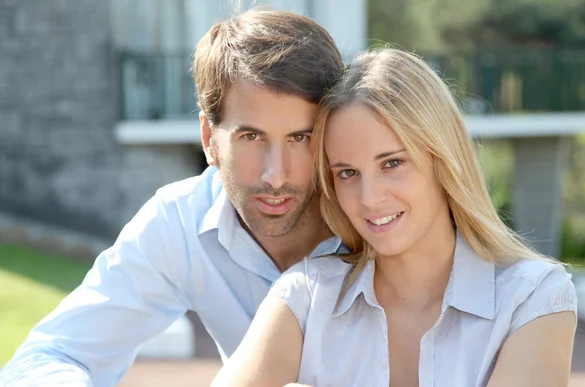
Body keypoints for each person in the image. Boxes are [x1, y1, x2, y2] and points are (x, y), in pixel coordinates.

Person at [0, 8, 345, 387]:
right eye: (251, 137)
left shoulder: (374, 218)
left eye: (301, 138)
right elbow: (52, 354)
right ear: (209, 139)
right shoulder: (180, 221)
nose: (276, 175)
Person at [211, 48, 578, 387]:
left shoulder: (532, 299)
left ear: (443, 159)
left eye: (392, 163)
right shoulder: (305, 298)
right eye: (347, 173)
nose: (370, 199)